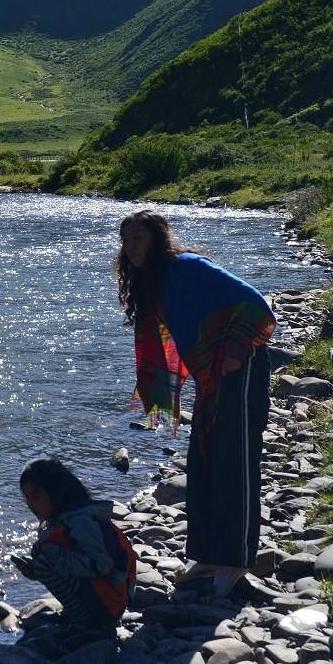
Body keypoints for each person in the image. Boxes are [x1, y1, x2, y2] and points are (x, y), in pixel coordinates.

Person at [116, 210, 276, 598]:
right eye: (126, 240)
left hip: (241, 371)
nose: (131, 247)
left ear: (157, 239)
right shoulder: (153, 281)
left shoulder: (187, 267)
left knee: (234, 462)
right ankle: (207, 556)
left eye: (137, 238)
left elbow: (257, 306)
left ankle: (236, 560)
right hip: (213, 377)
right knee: (204, 459)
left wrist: (235, 353)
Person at [8, 457, 135, 650]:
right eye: (27, 498)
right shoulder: (61, 521)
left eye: (36, 496)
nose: (31, 504)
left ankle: (91, 621)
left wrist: (53, 556)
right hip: (105, 597)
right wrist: (33, 569)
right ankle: (82, 614)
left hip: (110, 604)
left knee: (44, 558)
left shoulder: (81, 523)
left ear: (57, 494)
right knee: (41, 558)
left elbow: (103, 565)